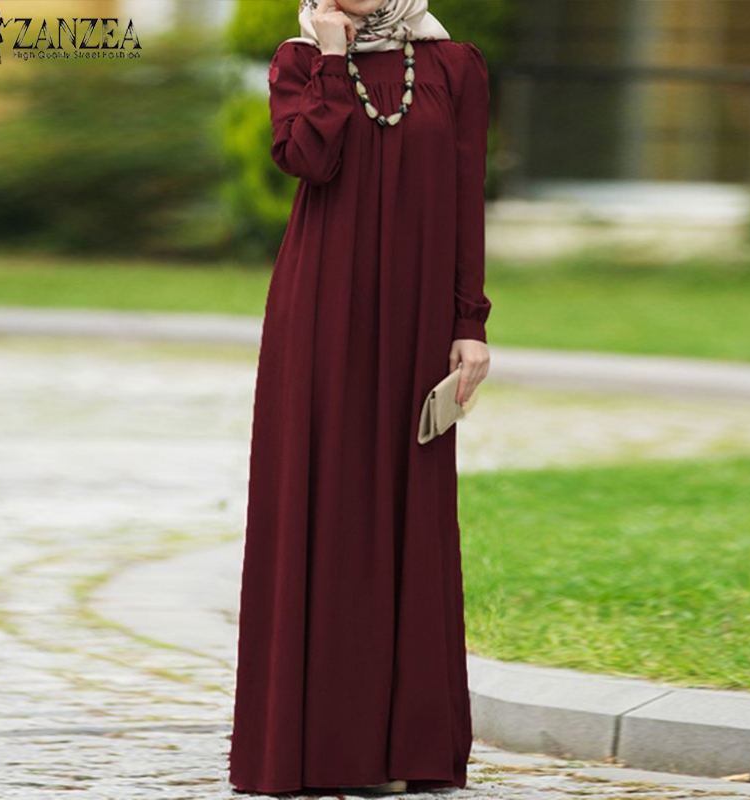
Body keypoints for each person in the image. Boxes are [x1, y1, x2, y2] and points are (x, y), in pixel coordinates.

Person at [227, 0, 492, 793]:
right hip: (323, 310)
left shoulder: (453, 66)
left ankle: (408, 749)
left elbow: (466, 195)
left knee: (409, 508)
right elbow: (307, 159)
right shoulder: (297, 61)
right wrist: (333, 60)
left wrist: (470, 322)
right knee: (328, 500)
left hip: (418, 318)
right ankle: (324, 749)